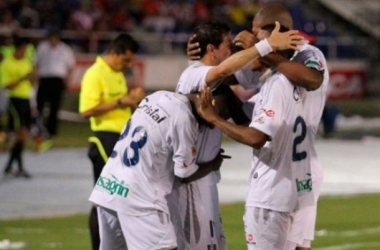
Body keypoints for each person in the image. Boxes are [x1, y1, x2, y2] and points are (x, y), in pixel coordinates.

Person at [187, 4, 329, 249]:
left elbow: (312, 79)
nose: (249, 38)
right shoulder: (271, 71)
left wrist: (265, 50)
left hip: (278, 181)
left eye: (254, 32)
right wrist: (202, 59)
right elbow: (224, 77)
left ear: (274, 30)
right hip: (298, 172)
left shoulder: (304, 56)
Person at [171, 20, 302, 250]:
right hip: (191, 184)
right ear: (212, 50)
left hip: (205, 178)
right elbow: (225, 69)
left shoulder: (216, 79)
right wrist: (266, 45)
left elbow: (247, 74)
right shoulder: (194, 74)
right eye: (227, 45)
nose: (232, 50)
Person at [89, 90, 228, 250]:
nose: (212, 125)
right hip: (140, 197)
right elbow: (184, 174)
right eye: (214, 119)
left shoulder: (156, 96)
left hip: (110, 186)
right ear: (210, 104)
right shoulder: (184, 119)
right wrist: (212, 164)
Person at [79, 33, 145, 250]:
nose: (128, 64)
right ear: (113, 53)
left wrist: (132, 99)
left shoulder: (117, 73)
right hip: (103, 140)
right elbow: (86, 110)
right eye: (125, 60)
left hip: (122, 140)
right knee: (103, 200)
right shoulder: (95, 73)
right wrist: (120, 101)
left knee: (119, 197)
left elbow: (121, 102)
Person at [1, 37, 36, 178]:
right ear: (18, 48)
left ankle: (10, 165)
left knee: (23, 135)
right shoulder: (6, 64)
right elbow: (7, 85)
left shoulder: (27, 62)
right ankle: (19, 167)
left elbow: (32, 82)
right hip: (14, 100)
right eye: (24, 49)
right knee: (20, 134)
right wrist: (23, 78)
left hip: (26, 100)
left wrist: (33, 76)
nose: (25, 52)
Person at [35, 29, 75, 141]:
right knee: (40, 105)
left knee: (54, 107)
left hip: (57, 80)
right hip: (44, 79)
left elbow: (70, 67)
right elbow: (36, 64)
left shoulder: (65, 50)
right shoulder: (42, 47)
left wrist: (68, 82)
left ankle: (51, 131)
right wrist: (36, 79)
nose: (53, 40)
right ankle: (39, 129)